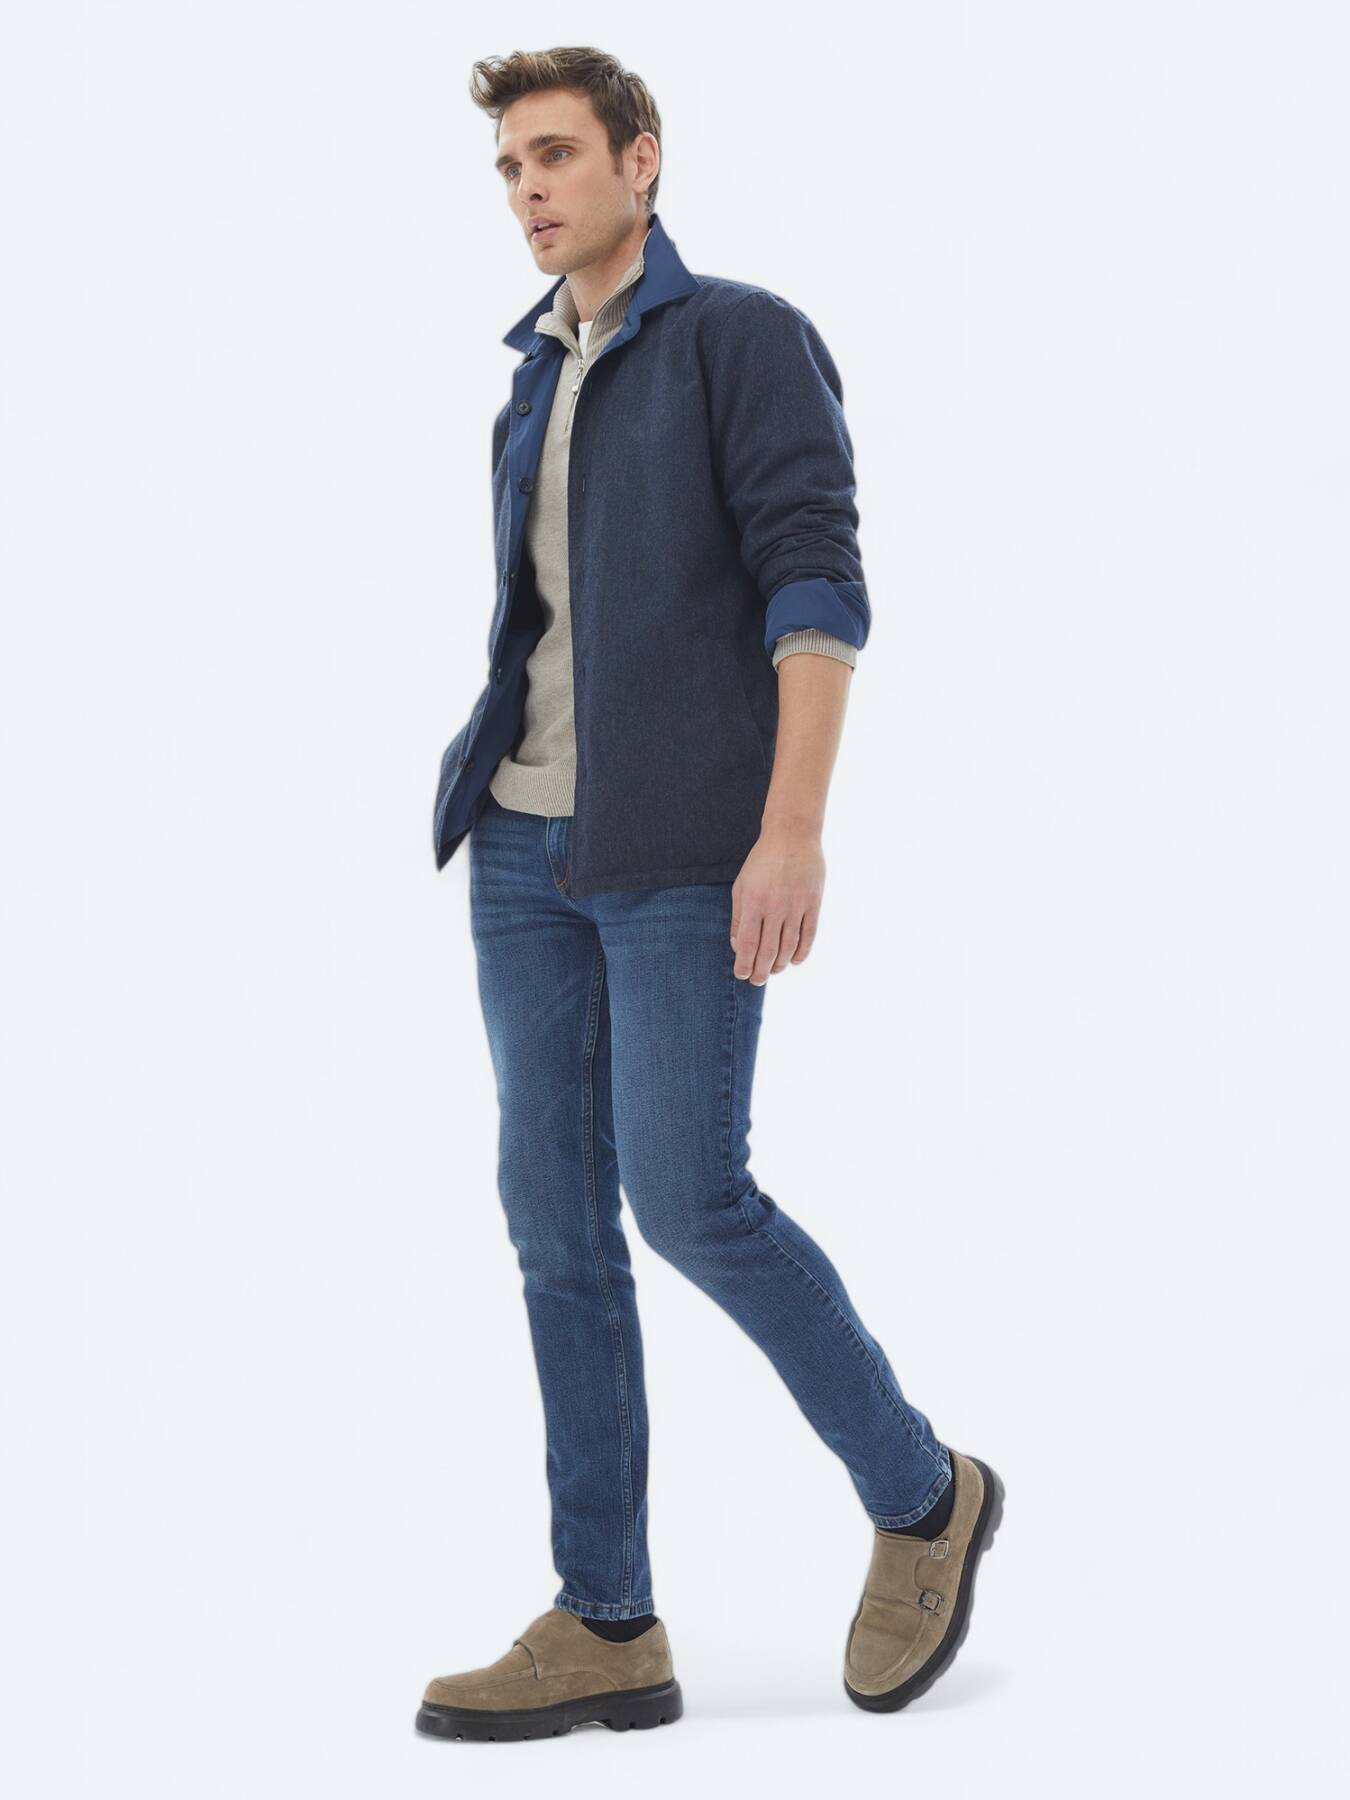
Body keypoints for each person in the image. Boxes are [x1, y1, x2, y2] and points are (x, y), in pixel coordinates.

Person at [416, 46, 1003, 1745]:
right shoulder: (532, 374)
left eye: (553, 154)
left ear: (641, 161)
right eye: (507, 166)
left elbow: (813, 577)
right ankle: (606, 1618)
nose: (526, 189)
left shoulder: (738, 336)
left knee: (688, 1198)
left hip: (681, 845)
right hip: (522, 849)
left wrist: (788, 830)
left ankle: (921, 1494)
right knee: (553, 1225)